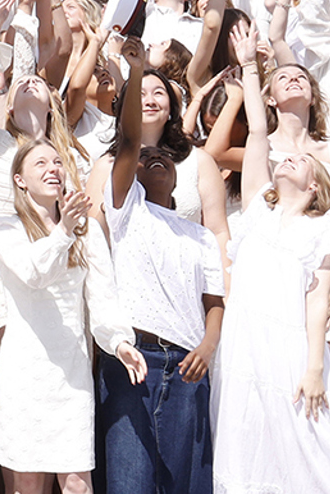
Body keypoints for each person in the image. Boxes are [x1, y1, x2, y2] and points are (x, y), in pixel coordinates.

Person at [210, 23, 330, 493]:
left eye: (298, 162)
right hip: (243, 342)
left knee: (309, 446)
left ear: (316, 183)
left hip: (290, 346)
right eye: (283, 161)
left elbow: (319, 300)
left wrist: (315, 366)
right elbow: (259, 129)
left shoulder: (324, 230)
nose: (286, 161)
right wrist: (247, 66)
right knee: (245, 444)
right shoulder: (258, 207)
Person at [93, 38, 224, 494]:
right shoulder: (126, 211)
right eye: (144, 159)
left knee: (186, 485)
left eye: (162, 157)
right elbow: (130, 140)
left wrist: (208, 349)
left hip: (189, 365)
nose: (153, 159)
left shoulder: (200, 235)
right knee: (130, 483)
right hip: (134, 363)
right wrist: (133, 73)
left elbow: (215, 300)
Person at [0, 139, 144, 494]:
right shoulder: (5, 227)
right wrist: (63, 232)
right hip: (25, 371)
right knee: (27, 483)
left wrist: (119, 342)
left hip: (71, 374)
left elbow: (102, 297)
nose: (53, 169)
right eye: (41, 163)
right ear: (19, 180)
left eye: (58, 162)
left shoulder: (84, 230)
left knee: (77, 483)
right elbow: (33, 273)